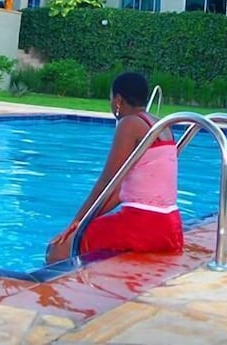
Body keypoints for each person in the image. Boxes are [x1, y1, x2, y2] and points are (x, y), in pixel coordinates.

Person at [45, 72, 183, 263]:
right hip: (171, 227)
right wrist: (84, 222)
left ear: (118, 100)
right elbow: (118, 192)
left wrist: (74, 224)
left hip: (143, 225)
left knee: (57, 250)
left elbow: (107, 181)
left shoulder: (130, 124)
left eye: (110, 98)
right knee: (87, 235)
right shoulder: (160, 125)